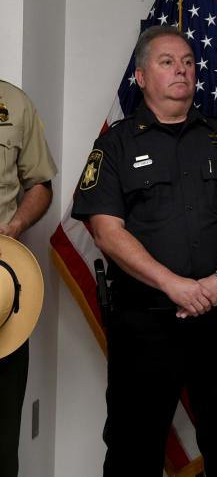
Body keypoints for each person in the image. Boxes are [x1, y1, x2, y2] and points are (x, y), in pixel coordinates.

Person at [71, 26, 217, 477]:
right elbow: (105, 230)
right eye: (167, 62)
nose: (181, 70)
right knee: (132, 446)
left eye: (188, 61)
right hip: (144, 320)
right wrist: (175, 285)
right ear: (141, 76)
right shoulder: (115, 145)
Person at [0, 80, 56, 477]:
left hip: (2, 296)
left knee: (2, 440)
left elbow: (40, 184)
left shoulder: (14, 103)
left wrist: (17, 224)